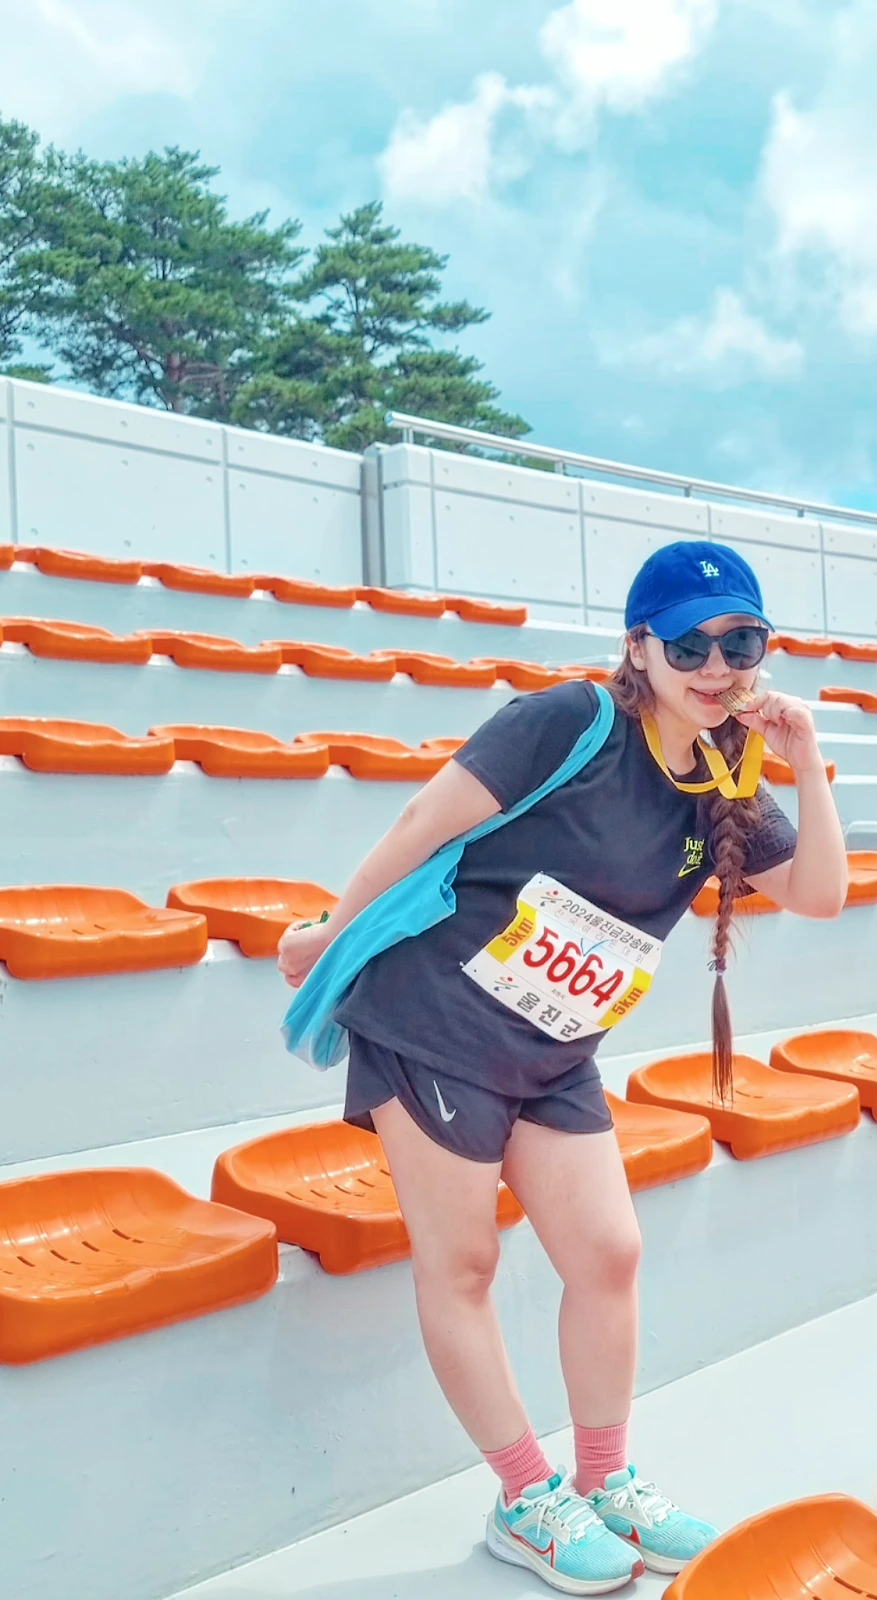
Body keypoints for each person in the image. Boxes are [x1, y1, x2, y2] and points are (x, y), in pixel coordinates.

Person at [277, 539, 847, 1595]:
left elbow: (818, 894)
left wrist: (803, 757)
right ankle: (524, 1496)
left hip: (552, 1046)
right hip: (435, 1017)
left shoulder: (726, 777)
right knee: (463, 1267)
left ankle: (603, 1477)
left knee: (609, 1255)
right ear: (639, 645)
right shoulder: (570, 721)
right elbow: (422, 821)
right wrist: (329, 930)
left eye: (740, 643)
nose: (715, 666)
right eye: (688, 644)